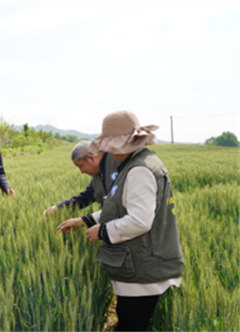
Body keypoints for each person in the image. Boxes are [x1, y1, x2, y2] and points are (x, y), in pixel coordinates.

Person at [57, 110, 184, 331]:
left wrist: (102, 231)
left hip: (142, 267)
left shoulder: (139, 170)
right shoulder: (136, 164)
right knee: (128, 320)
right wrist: (84, 220)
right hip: (138, 266)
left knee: (131, 324)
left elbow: (139, 221)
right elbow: (119, 208)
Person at [43, 140, 119, 216]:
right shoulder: (97, 177)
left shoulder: (118, 166)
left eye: (80, 166)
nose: (82, 171)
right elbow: (84, 199)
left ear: (91, 158)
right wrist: (59, 209)